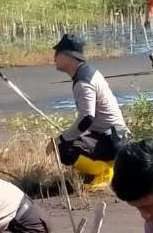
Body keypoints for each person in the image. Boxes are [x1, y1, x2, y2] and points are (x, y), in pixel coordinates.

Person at [51, 33, 129, 186]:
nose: (54, 58)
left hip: (113, 140)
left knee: (64, 148)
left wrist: (60, 138)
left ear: (69, 56)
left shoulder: (83, 81)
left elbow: (87, 119)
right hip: (113, 136)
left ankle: (104, 172)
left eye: (57, 54)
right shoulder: (87, 72)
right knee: (71, 139)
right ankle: (105, 167)